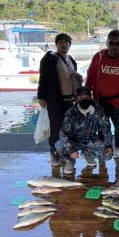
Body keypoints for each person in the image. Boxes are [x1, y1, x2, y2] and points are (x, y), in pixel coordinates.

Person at [86, 29, 119, 158]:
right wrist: (87, 94)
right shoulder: (98, 57)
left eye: (117, 43)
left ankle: (118, 147)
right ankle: (104, 146)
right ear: (107, 44)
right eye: (111, 43)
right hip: (100, 100)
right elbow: (90, 75)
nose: (114, 46)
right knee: (101, 127)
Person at [37, 33, 82, 167]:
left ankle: (65, 153)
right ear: (56, 44)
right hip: (55, 101)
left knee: (68, 129)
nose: (64, 45)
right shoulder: (50, 59)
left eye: (66, 42)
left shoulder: (71, 60)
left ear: (70, 45)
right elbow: (43, 79)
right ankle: (54, 154)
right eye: (61, 42)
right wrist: (41, 97)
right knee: (55, 129)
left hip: (69, 101)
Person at [55, 86, 113, 174]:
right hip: (74, 140)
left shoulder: (99, 109)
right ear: (76, 98)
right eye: (81, 97)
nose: (84, 99)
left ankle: (88, 154)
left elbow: (106, 128)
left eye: (87, 97)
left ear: (90, 97)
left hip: (91, 139)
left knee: (108, 154)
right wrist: (70, 149)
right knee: (59, 145)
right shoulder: (71, 113)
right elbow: (63, 133)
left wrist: (108, 144)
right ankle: (70, 161)